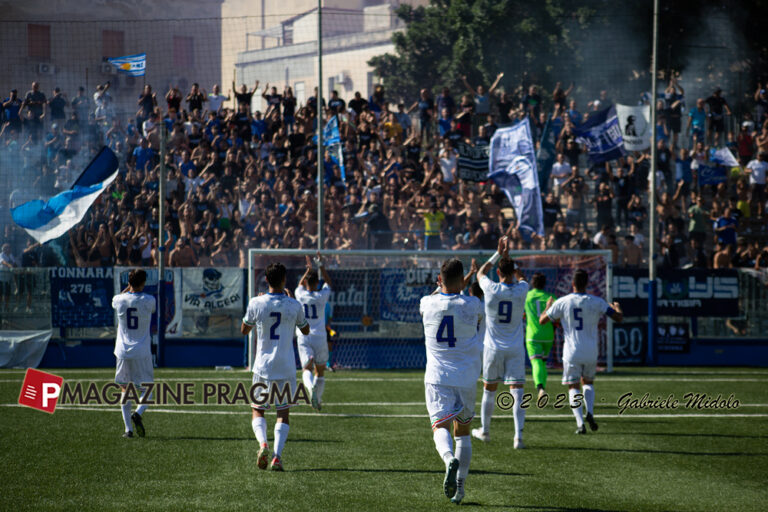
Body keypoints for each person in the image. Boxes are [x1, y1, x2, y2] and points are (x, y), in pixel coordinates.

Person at [420, 258, 484, 504]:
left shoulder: (427, 302)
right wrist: (468, 277)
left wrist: (444, 285)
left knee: (440, 427)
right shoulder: (473, 304)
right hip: (467, 376)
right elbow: (461, 298)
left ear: (439, 279)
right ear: (461, 280)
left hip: (438, 377)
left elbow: (442, 293)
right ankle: (460, 489)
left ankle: (448, 460)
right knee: (463, 432)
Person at [241, 262, 310, 471]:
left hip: (263, 367)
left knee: (257, 410)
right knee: (283, 412)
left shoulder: (256, 302)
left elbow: (244, 330)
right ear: (283, 280)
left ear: (266, 280)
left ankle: (263, 444)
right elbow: (305, 331)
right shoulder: (293, 305)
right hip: (286, 366)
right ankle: (277, 457)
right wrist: (291, 301)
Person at [539, 270, 623, 434]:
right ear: (587, 284)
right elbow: (618, 318)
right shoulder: (597, 301)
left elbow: (543, 320)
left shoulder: (564, 301)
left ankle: (580, 423)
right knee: (588, 382)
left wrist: (548, 308)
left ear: (573, 284)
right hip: (591, 351)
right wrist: (618, 308)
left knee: (573, 386)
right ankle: (589, 412)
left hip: (572, 351)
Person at [470, 237, 529, 448]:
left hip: (493, 348)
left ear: (498, 273)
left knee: (489, 390)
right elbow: (522, 277)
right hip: (514, 348)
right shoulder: (522, 289)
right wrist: (510, 259)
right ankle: (518, 437)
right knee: (517, 392)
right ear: (513, 272)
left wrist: (497, 254)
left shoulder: (491, 289)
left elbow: (480, 274)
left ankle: (485, 432)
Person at [111, 269, 156, 438]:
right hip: (142, 351)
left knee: (125, 388)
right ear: (144, 282)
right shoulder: (149, 300)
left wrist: (128, 288)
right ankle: (138, 413)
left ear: (129, 282)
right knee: (147, 390)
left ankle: (128, 430)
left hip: (122, 352)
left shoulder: (119, 300)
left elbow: (117, 299)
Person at [294, 253, 332, 411]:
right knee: (320, 370)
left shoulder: (300, 295)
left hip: (303, 335)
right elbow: (329, 284)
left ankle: (311, 390)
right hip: (320, 336)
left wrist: (308, 270)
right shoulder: (321, 296)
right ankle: (319, 398)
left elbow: (301, 284)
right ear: (317, 284)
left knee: (306, 369)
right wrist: (321, 266)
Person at [524, 273, 557, 399]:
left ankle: (540, 388)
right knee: (543, 363)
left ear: (533, 283)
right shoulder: (551, 297)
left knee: (536, 362)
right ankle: (542, 387)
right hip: (548, 335)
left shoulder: (527, 296)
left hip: (533, 335)